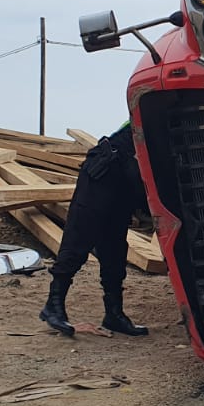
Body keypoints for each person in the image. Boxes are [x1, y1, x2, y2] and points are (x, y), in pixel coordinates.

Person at [38, 123, 150, 338]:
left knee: (115, 247)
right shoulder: (151, 110)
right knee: (80, 236)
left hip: (125, 180)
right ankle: (53, 306)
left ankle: (114, 315)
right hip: (103, 169)